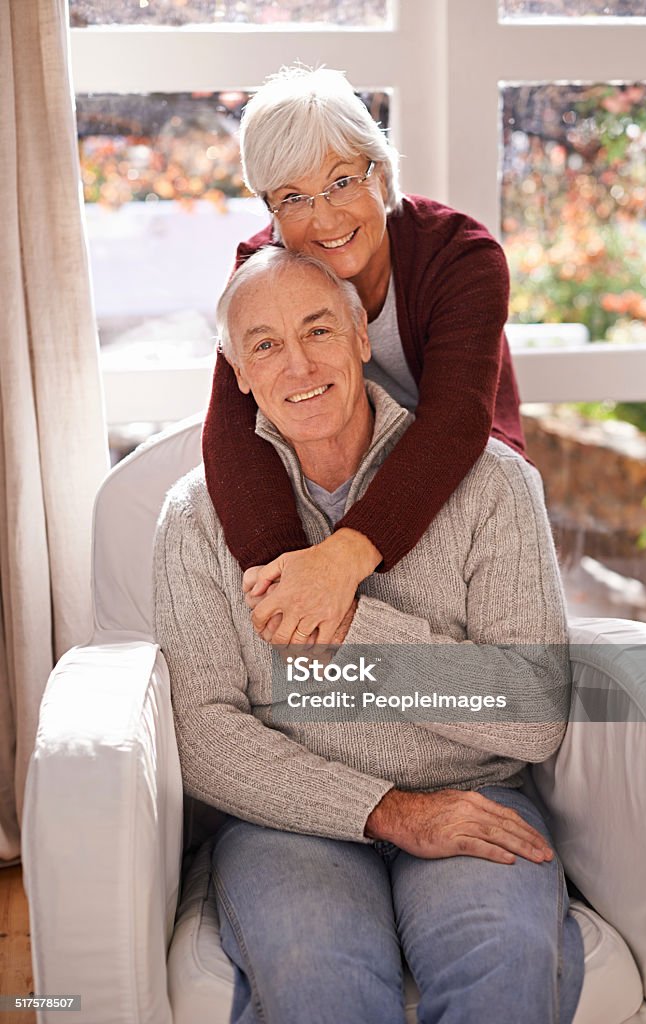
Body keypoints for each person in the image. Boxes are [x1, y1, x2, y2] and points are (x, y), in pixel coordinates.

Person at [154, 246, 584, 1024]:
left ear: (362, 340)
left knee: (508, 968)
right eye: (265, 345)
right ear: (238, 373)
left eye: (319, 330)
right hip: (288, 821)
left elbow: (533, 707)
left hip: (474, 795)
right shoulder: (194, 518)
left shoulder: (493, 486)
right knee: (315, 979)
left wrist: (350, 625)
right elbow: (204, 734)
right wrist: (385, 809)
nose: (298, 364)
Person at [201, 65, 527, 649]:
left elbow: (455, 422)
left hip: (457, 470)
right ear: (269, 207)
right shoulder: (261, 269)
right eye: (294, 198)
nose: (325, 218)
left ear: (380, 171)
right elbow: (233, 430)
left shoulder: (461, 258)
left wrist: (342, 560)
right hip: (337, 479)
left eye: (343, 181)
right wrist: (293, 576)